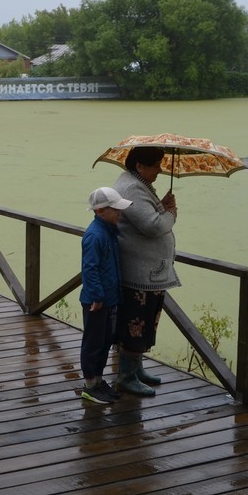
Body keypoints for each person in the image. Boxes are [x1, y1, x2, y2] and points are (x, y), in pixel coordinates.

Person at [113, 145, 179, 397]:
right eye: (155, 165)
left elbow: (146, 215)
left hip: (148, 272)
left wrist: (161, 205)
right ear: (139, 165)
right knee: (137, 323)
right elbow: (151, 225)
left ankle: (136, 369)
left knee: (144, 322)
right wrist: (170, 213)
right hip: (140, 274)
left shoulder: (137, 184)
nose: (160, 170)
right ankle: (126, 377)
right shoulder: (132, 187)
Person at [78, 186, 132, 404]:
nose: (120, 213)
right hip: (96, 301)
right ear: (100, 211)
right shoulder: (94, 235)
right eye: (115, 210)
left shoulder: (110, 232)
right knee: (93, 343)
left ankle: (99, 381)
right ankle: (89, 385)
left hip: (110, 298)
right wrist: (97, 297)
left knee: (105, 341)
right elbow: (89, 269)